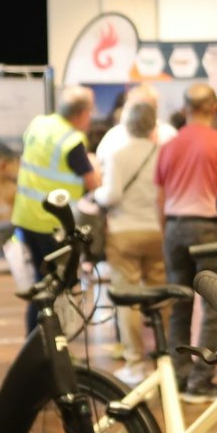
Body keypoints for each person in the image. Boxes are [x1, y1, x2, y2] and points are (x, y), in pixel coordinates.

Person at [156, 83, 217, 400]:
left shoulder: (168, 147)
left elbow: (159, 198)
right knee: (215, 307)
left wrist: (166, 232)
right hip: (209, 229)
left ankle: (178, 376)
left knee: (179, 305)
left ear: (185, 108)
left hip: (174, 226)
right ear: (214, 108)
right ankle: (200, 381)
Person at [12, 86, 101, 332]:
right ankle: (48, 344)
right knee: (56, 287)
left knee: (41, 284)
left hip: (25, 217)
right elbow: (92, 181)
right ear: (81, 113)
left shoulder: (39, 124)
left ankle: (38, 341)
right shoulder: (72, 140)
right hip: (53, 224)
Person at [92, 98, 165, 382]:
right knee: (160, 296)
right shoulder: (162, 152)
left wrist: (96, 195)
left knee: (128, 299)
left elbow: (110, 196)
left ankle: (135, 363)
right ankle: (164, 360)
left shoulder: (117, 154)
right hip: (157, 232)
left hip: (123, 232)